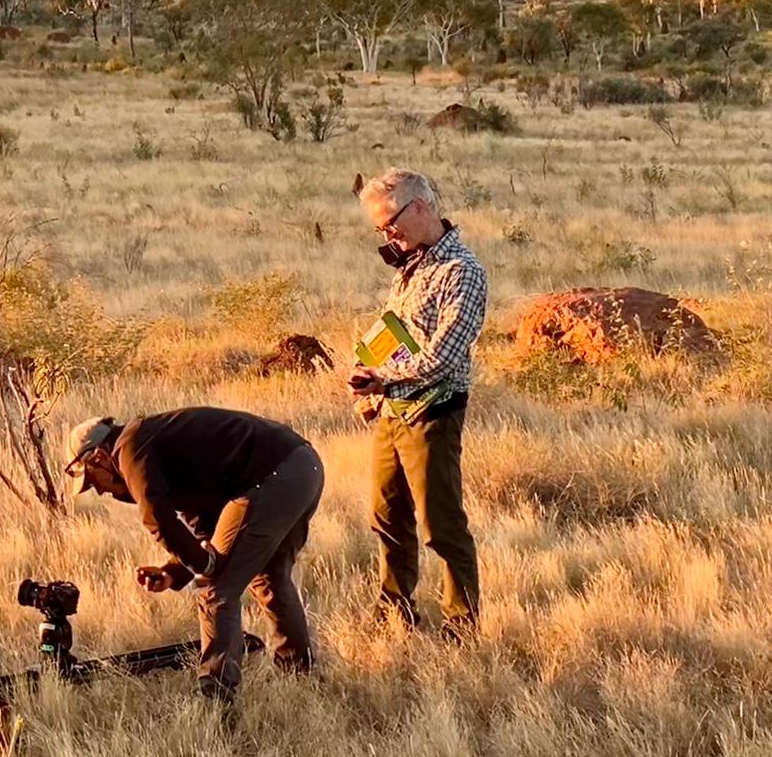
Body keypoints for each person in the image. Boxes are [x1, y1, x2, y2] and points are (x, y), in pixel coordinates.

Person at [63, 407, 322, 698]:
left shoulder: (130, 447)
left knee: (216, 585)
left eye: (91, 480)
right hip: (301, 468)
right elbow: (205, 528)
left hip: (272, 475)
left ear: (98, 457)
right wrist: (173, 573)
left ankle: (216, 697)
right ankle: (301, 680)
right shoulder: (156, 444)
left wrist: (205, 566)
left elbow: (157, 517)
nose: (99, 491)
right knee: (270, 579)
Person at [347, 168, 487, 641]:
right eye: (381, 228)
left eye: (391, 223)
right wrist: (369, 382)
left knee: (441, 525)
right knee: (386, 518)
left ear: (422, 207)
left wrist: (381, 377)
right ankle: (393, 610)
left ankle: (461, 625)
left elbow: (443, 355)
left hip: (434, 413)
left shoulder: (462, 271)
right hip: (390, 411)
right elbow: (394, 334)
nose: (388, 235)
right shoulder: (412, 265)